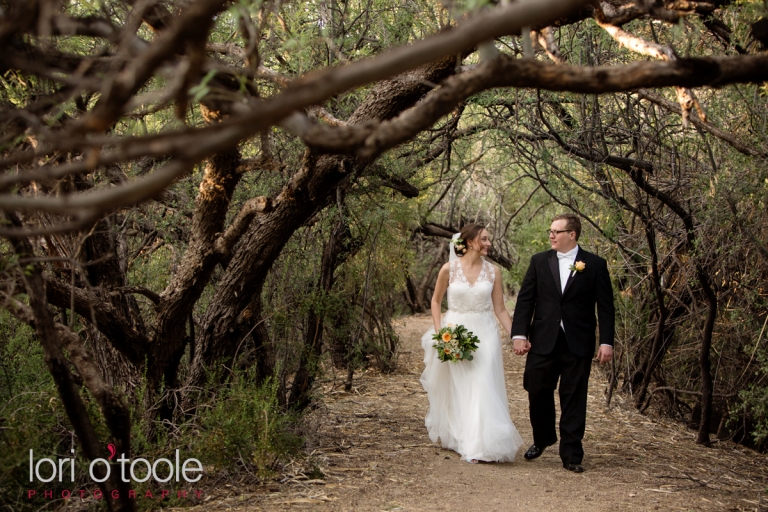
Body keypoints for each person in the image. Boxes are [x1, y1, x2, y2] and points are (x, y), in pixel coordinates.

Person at [511, 213, 615, 473]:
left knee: (573, 397)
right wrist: (519, 334)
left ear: (572, 235)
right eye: (550, 231)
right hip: (543, 339)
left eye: (557, 231)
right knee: (535, 386)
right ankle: (543, 438)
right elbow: (526, 300)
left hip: (577, 341)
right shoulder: (539, 262)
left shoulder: (595, 264)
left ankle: (571, 453)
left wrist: (607, 342)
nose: (551, 235)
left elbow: (605, 307)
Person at [419, 224, 524, 464]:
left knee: (483, 381)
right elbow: (436, 302)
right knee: (463, 386)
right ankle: (468, 441)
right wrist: (440, 333)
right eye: (484, 239)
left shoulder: (494, 272)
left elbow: (499, 308)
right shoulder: (448, 269)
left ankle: (484, 443)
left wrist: (516, 335)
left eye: (489, 239)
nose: (488, 243)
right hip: (456, 331)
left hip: (485, 332)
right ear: (468, 240)